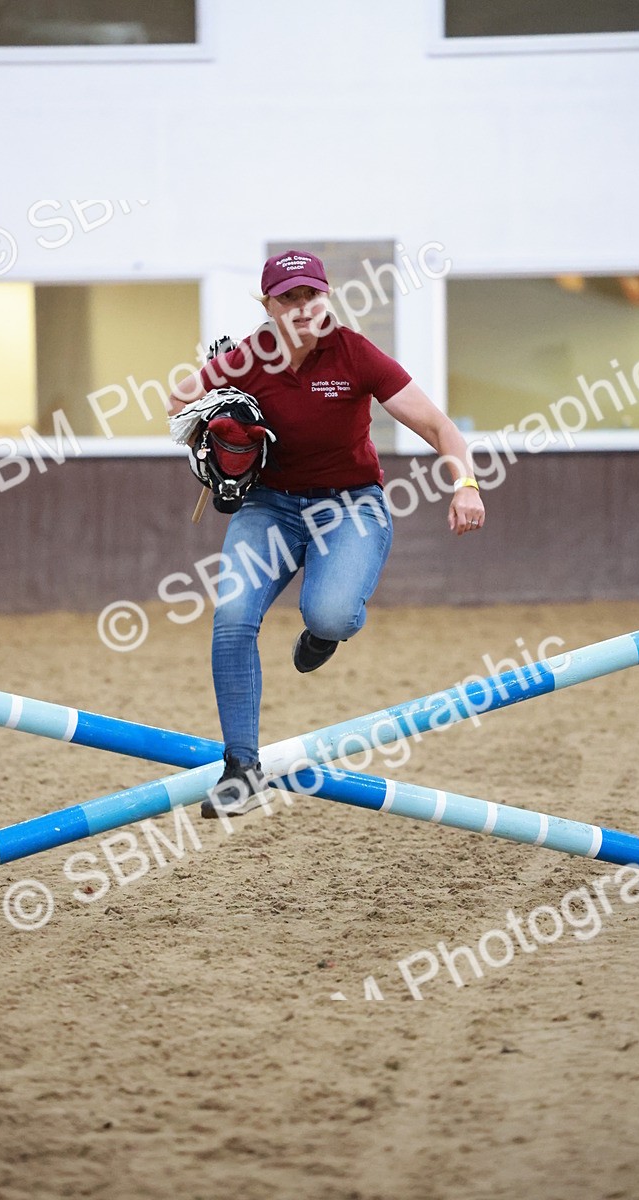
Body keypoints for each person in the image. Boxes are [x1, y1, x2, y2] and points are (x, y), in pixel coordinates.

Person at [167, 249, 484, 818]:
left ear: (327, 296)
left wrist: (465, 484)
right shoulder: (246, 358)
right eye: (288, 298)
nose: (303, 307)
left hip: (351, 504)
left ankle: (324, 634)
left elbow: (440, 427)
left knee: (331, 615)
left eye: (311, 294)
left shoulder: (354, 353)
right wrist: (209, 420)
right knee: (232, 616)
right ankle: (242, 768)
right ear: (268, 306)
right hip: (269, 507)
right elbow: (177, 401)